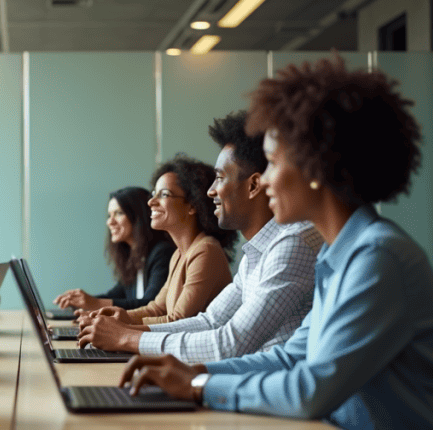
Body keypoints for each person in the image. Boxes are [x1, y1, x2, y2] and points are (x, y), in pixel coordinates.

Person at [121, 56, 433, 430]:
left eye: (275, 163)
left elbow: (309, 391)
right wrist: (192, 372)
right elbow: (289, 359)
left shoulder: (378, 258)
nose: (267, 180)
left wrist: (198, 385)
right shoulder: (339, 256)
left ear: (317, 167)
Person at [78, 111, 322, 363]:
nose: (210, 190)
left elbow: (231, 342)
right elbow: (210, 321)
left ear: (253, 185)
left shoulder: (292, 243)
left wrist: (127, 338)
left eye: (219, 178)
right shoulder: (255, 254)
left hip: (262, 388)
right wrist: (124, 331)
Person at [80, 156, 235, 328]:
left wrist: (119, 327)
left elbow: (178, 321)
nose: (151, 202)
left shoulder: (206, 250)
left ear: (193, 205)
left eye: (164, 194)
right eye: (154, 194)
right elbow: (155, 309)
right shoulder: (179, 254)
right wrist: (113, 316)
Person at [53, 187, 175, 312]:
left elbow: (151, 305)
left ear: (138, 216)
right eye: (109, 215)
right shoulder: (135, 257)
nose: (110, 222)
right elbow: (114, 296)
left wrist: (95, 303)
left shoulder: (162, 252)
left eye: (119, 213)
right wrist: (79, 302)